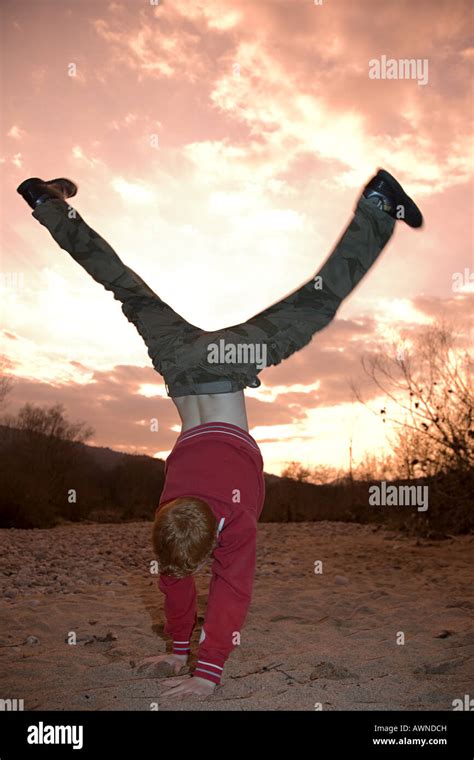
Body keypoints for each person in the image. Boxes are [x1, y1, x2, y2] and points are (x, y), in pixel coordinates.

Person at [17, 169, 423, 698]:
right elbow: (176, 576)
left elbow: (230, 591)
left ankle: (378, 204)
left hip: (230, 365)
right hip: (177, 361)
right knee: (122, 284)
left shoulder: (236, 515)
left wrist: (204, 674)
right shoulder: (169, 509)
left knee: (316, 303)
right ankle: (47, 204)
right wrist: (176, 652)